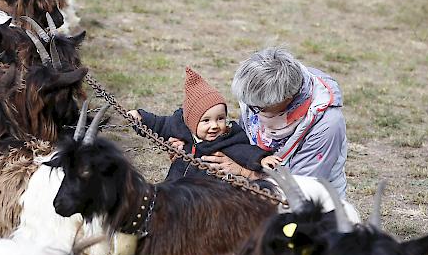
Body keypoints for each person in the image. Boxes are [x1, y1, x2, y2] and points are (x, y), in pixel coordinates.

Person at [201, 48, 348, 197]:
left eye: (260, 108)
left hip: (311, 206)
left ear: (287, 99)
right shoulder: (260, 93)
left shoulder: (326, 124)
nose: (252, 112)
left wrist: (245, 173)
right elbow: (242, 140)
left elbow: (302, 189)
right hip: (259, 191)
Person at [128, 67, 278, 181]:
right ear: (191, 121)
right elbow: (159, 124)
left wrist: (262, 159)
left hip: (205, 196)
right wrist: (140, 117)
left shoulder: (226, 139)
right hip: (174, 186)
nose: (214, 126)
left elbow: (245, 152)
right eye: (206, 120)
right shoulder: (181, 127)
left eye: (220, 118)